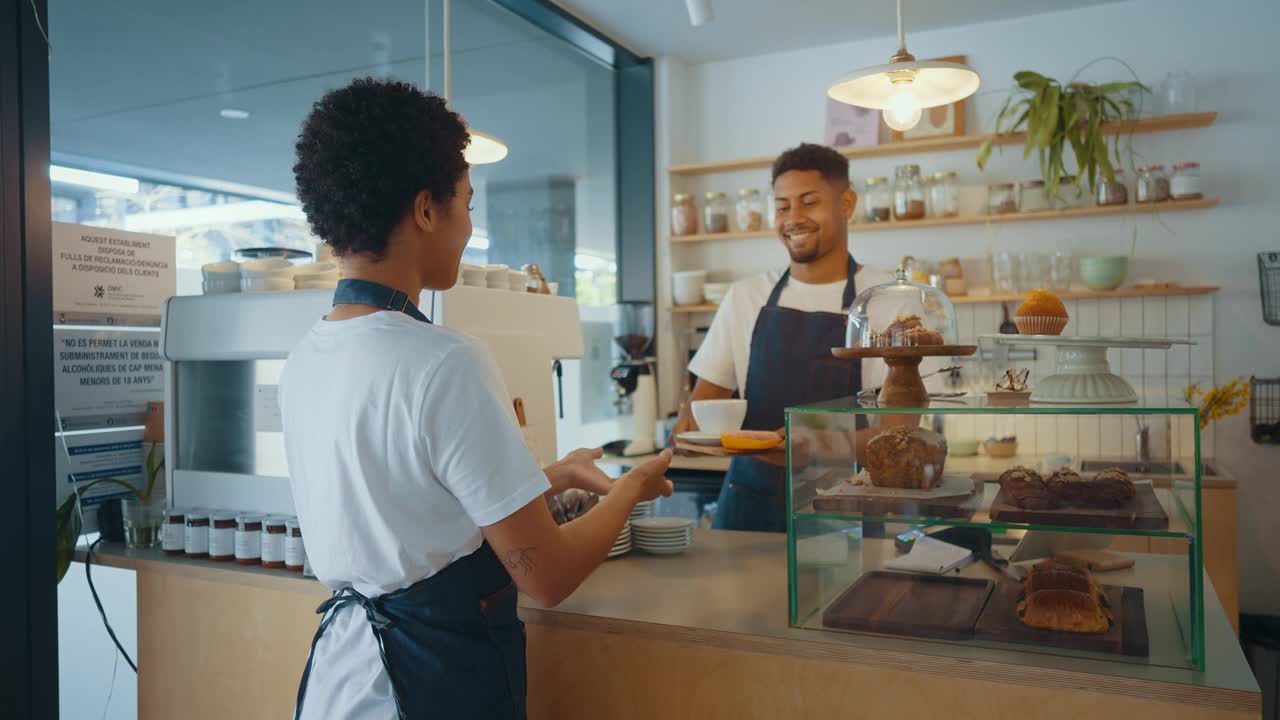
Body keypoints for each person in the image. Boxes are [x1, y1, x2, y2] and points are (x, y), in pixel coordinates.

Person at [280, 78, 673, 720]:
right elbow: (545, 579)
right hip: (430, 686)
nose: (470, 225)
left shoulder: (308, 356)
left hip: (343, 683)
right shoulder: (445, 359)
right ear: (426, 210)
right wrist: (629, 490)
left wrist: (546, 477)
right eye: (466, 203)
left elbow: (402, 509)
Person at [673, 143, 922, 532]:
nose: (794, 218)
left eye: (809, 202)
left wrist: (816, 445)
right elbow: (699, 411)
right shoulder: (745, 297)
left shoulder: (888, 303)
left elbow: (900, 437)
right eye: (783, 206)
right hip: (747, 516)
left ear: (847, 203)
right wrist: (689, 428)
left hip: (845, 515)